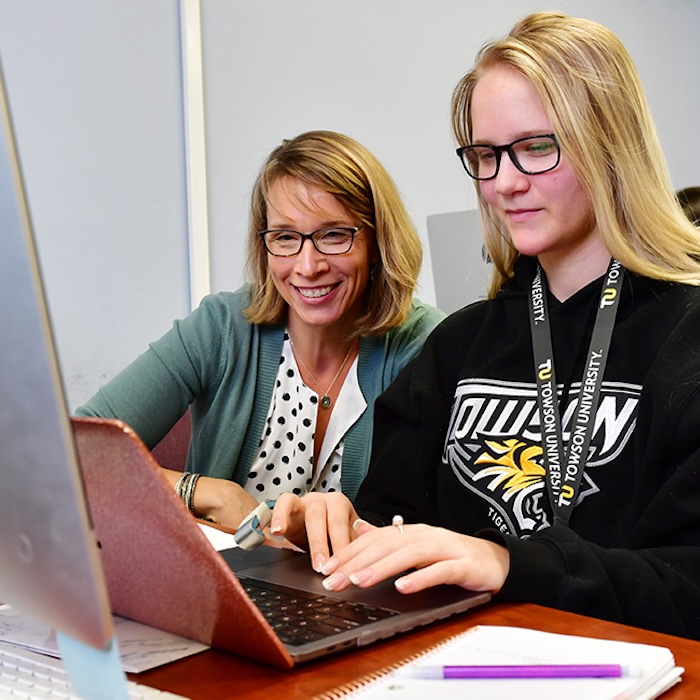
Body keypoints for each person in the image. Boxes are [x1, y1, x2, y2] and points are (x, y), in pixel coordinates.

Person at [272, 13, 700, 640]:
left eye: (536, 147)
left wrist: (507, 564)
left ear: (609, 143)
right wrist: (340, 526)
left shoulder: (684, 339)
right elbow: (391, 530)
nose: (505, 182)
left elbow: (688, 588)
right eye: (486, 155)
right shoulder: (457, 344)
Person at [76, 130, 444, 529]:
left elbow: (431, 526)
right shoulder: (222, 327)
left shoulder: (426, 345)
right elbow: (76, 452)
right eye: (286, 238)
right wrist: (209, 492)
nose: (307, 266)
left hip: (352, 590)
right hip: (218, 584)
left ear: (377, 241)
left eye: (333, 235)